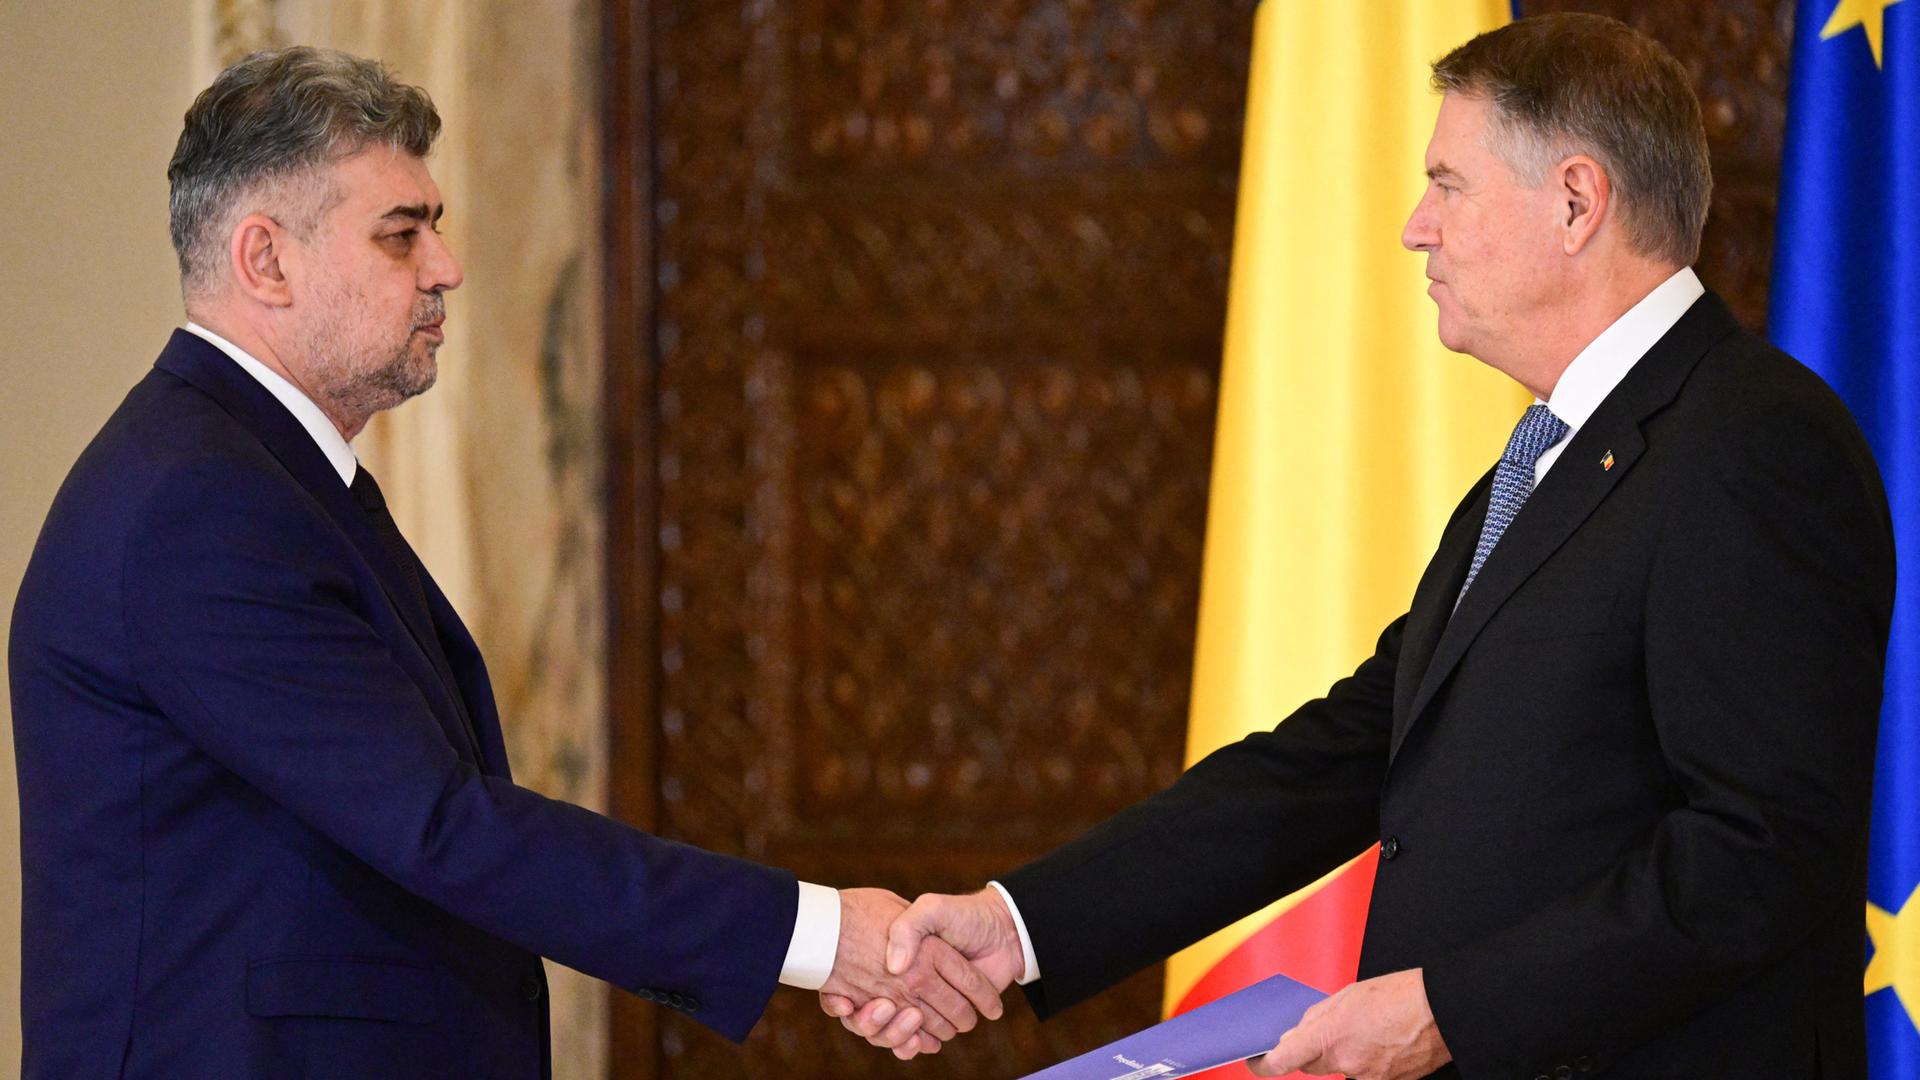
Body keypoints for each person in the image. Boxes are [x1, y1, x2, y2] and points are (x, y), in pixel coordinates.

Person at [831, 14, 1896, 1078]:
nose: (1414, 227)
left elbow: (1759, 850)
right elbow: (1347, 753)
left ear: (1576, 202)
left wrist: (1448, 1009)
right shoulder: (1551, 454)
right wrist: (1019, 925)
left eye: (1449, 183)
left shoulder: (1754, 442)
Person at [8, 46, 996, 1077]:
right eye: (402, 235)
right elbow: (442, 827)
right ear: (266, 260)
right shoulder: (197, 502)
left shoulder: (254, 473)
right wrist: (824, 938)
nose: (447, 267)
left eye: (434, 225)